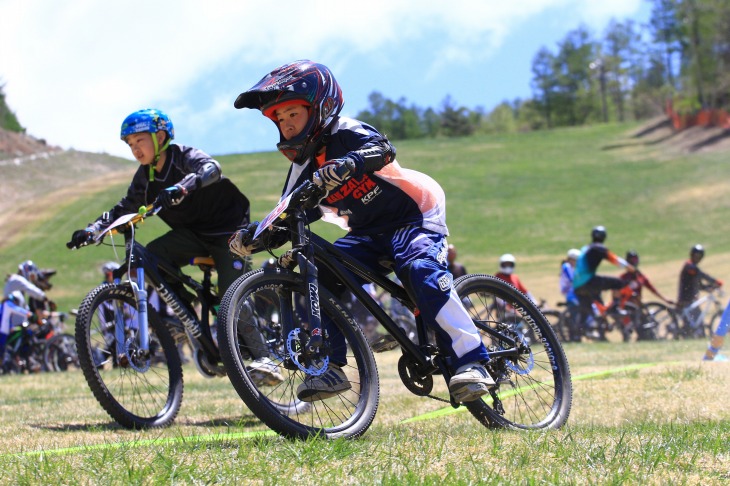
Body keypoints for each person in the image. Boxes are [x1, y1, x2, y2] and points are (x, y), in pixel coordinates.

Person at [229, 60, 494, 403]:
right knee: (324, 271)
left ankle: (473, 362)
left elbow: (382, 149)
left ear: (320, 106)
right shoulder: (301, 166)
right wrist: (256, 235)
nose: (286, 124)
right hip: (367, 231)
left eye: (293, 114)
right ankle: (332, 366)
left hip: (412, 215)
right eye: (279, 119)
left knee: (419, 270)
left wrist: (351, 162)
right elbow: (291, 211)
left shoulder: (345, 132)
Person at [67, 108, 281, 385]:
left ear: (160, 136)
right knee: (152, 257)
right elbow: (124, 208)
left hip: (228, 232)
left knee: (231, 293)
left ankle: (266, 358)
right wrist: (92, 230)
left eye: (139, 141)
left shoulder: (183, 156)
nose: (135, 149)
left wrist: (183, 186)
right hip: (192, 234)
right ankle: (185, 317)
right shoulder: (145, 177)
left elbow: (212, 169)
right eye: (130, 145)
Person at [572, 226, 636, 341]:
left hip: (577, 285)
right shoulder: (599, 248)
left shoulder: (585, 248)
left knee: (586, 311)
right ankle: (615, 307)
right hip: (588, 281)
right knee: (618, 283)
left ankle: (576, 335)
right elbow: (614, 259)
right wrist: (629, 267)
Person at [677, 244, 722, 336]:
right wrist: (715, 281)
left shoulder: (693, 268)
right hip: (686, 299)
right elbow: (700, 274)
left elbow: (699, 285)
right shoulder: (689, 267)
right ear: (692, 255)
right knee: (695, 320)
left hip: (691, 299)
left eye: (700, 256)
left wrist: (709, 287)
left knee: (697, 321)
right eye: (696, 255)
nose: (698, 258)